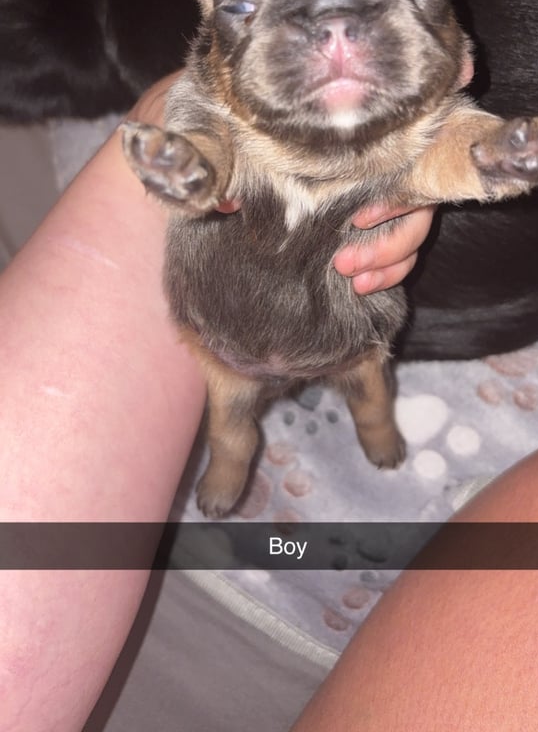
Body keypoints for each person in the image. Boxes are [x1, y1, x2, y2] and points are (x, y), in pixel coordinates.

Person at [0, 75, 433, 730]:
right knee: (232, 428)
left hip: (339, 321)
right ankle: (236, 466)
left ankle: (374, 434)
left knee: (368, 392)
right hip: (232, 329)